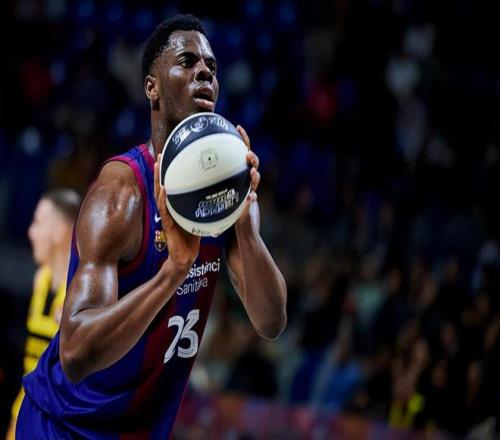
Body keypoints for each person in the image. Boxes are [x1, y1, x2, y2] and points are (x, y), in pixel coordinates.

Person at [16, 14, 287, 439]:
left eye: (212, 66)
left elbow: (271, 322)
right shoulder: (120, 195)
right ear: (152, 88)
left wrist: (247, 228)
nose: (204, 72)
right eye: (187, 61)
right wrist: (172, 273)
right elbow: (75, 353)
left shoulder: (224, 196)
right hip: (63, 427)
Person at [6, 188, 81, 440]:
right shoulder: (41, 280)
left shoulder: (80, 295)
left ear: (60, 232)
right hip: (22, 411)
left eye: (38, 222)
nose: (31, 232)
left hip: (55, 424)